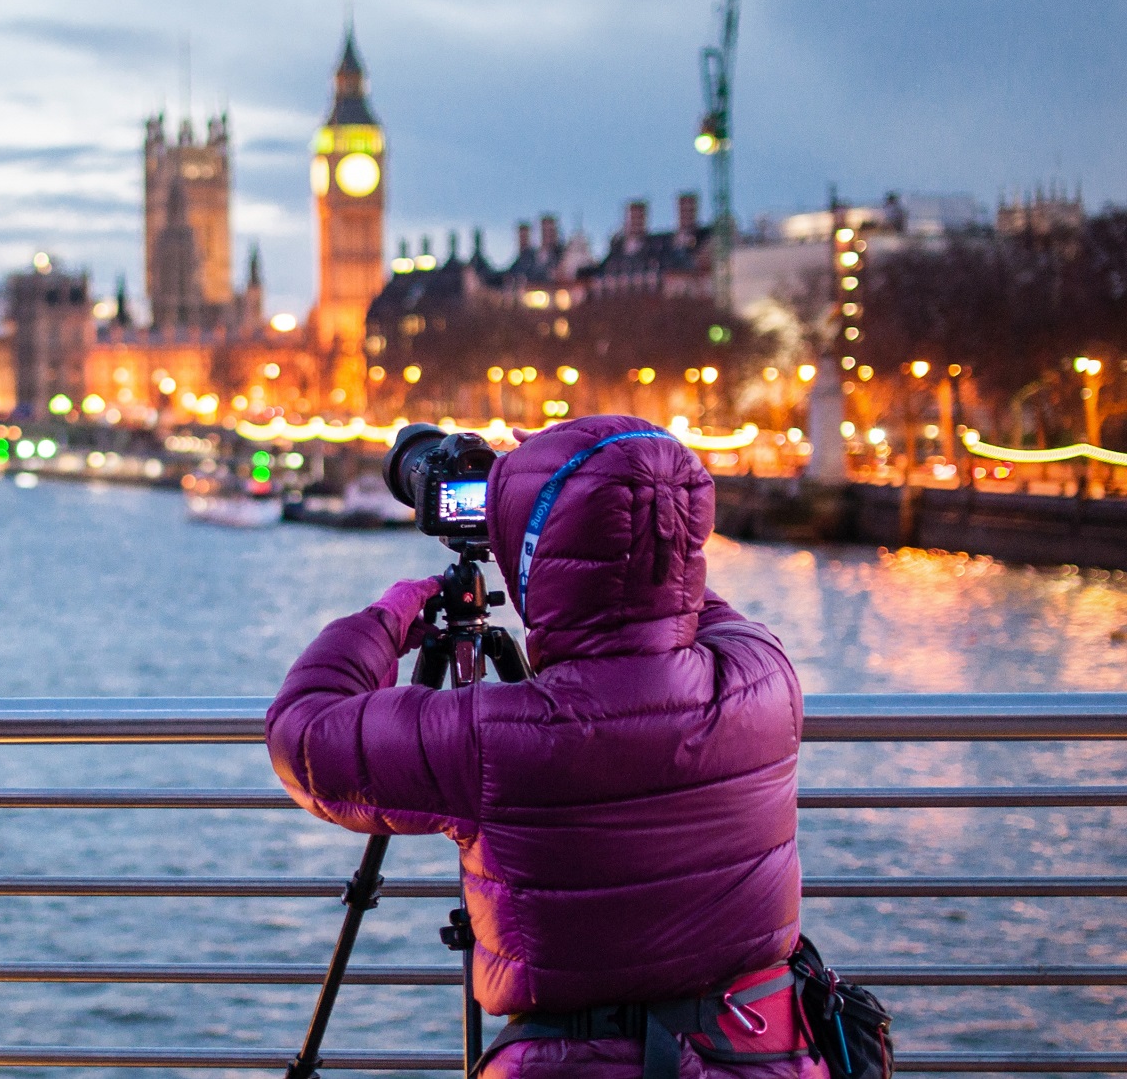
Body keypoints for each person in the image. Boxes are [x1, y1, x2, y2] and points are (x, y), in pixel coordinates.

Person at [267, 414, 825, 1079]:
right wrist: (627, 504)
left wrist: (387, 617)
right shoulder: (763, 675)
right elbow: (672, 588)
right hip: (764, 1052)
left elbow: (304, 733)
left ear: (543, 555)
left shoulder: (501, 738)